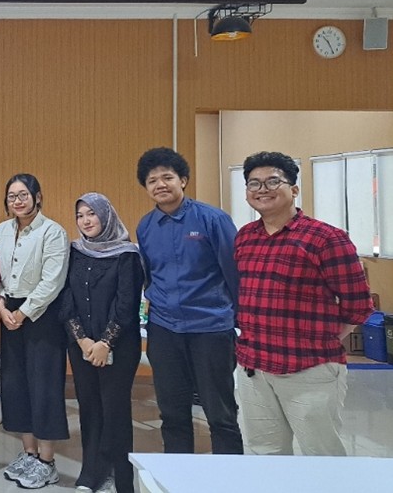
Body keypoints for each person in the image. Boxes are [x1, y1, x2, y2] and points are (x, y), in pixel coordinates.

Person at [234, 151, 372, 456]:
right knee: (265, 453)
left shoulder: (326, 238)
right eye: (254, 184)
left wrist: (322, 340)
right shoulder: (245, 237)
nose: (262, 189)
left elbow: (358, 305)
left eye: (273, 181)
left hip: (309, 368)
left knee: (321, 455)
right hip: (253, 367)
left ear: (294, 189)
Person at [135, 147, 243, 454]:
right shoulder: (145, 226)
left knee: (220, 413)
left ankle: (230, 474)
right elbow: (149, 275)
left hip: (210, 328)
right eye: (152, 180)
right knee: (172, 413)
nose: (160, 184)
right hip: (164, 330)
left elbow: (234, 273)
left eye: (167, 177)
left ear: (183, 180)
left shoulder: (213, 219)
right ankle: (177, 474)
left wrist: (240, 322)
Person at [60, 193, 144, 493]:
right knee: (89, 408)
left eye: (91, 213)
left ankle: (121, 478)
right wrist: (82, 340)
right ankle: (91, 473)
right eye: (80, 215)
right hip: (81, 344)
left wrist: (105, 343)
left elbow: (127, 304)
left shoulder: (127, 254)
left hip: (118, 346)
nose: (85, 220)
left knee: (115, 411)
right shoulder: (74, 251)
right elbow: (65, 297)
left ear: (106, 215)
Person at [0, 173, 70, 489]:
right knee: (16, 385)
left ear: (37, 197)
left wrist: (22, 313)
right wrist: (1, 306)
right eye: (12, 196)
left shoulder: (53, 232)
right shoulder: (1, 231)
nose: (18, 201)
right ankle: (29, 453)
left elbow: (53, 281)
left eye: (23, 194)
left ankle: (48, 462)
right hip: (9, 312)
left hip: (43, 316)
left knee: (44, 387)